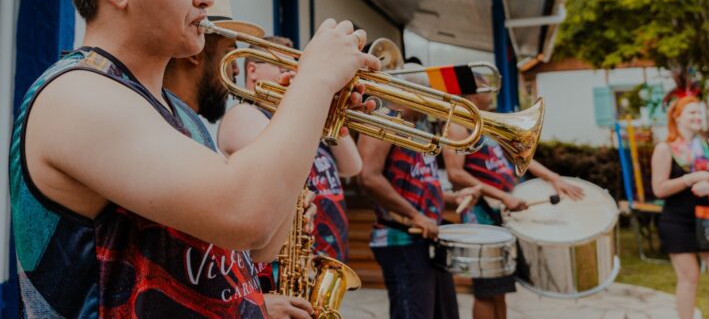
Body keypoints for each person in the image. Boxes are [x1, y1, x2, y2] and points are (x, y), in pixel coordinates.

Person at [9, 0, 378, 317]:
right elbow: (246, 215)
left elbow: (260, 246)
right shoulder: (76, 96)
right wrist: (312, 83)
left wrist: (314, 115)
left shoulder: (176, 110)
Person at [163, 0, 316, 319]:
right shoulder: (167, 131)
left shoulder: (196, 130)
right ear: (196, 51)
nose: (235, 69)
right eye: (230, 52)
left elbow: (261, 250)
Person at [217, 33, 362, 291]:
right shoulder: (244, 115)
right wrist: (309, 92)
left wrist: (333, 104)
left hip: (321, 259)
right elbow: (280, 162)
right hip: (278, 268)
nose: (295, 77)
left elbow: (353, 166)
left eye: (299, 70)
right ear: (253, 71)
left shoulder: (303, 121)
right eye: (286, 68)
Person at [442, 78, 584, 319]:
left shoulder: (488, 121)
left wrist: (554, 178)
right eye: (488, 89)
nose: (493, 93)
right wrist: (503, 197)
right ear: (474, 95)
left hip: (501, 213)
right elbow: (456, 174)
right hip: (482, 216)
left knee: (500, 288)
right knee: (486, 290)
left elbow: (520, 155)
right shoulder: (458, 125)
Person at [358, 64, 480, 319]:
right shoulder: (384, 120)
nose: (433, 102)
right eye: (429, 95)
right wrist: (416, 216)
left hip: (426, 239)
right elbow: (368, 177)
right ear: (412, 92)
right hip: (401, 239)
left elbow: (418, 185)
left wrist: (452, 198)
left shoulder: (416, 127)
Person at [651, 96, 709, 319]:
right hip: (678, 221)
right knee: (689, 278)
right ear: (677, 116)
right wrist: (689, 179)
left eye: (700, 113)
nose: (698, 117)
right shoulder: (665, 148)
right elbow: (658, 189)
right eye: (692, 113)